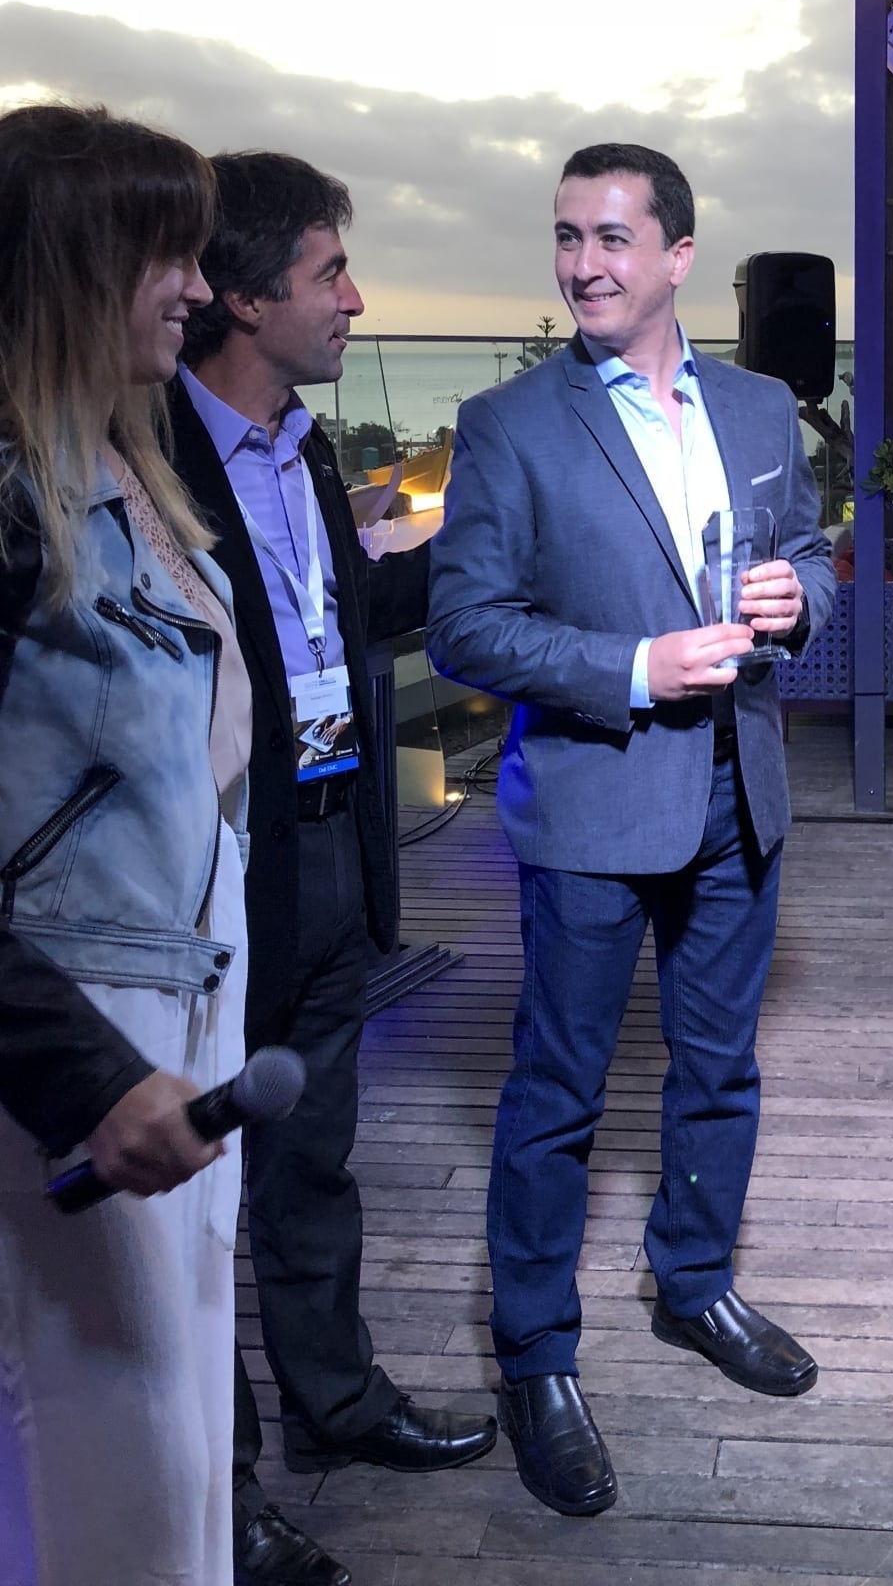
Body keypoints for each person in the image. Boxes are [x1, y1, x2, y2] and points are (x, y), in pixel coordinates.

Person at [427, 142, 836, 1517]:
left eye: (610, 238)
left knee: (720, 1071)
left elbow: (813, 553)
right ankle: (537, 1358)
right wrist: (636, 668)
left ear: (678, 256)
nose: (582, 265)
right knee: (558, 1093)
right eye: (566, 237)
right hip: (596, 799)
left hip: (740, 789)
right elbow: (466, 625)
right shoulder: (509, 424)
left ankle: (696, 1285)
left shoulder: (764, 406)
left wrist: (803, 597)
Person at [170, 151, 495, 1586]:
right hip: (215, 876)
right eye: (331, 273)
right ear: (243, 297)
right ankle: (220, 1490)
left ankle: (339, 1403)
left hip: (332, 849)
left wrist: (486, 535)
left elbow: (345, 616)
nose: (356, 301)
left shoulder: (301, 445)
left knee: (313, 1168)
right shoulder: (146, 457)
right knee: (200, 1204)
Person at [0, 102, 250, 1586]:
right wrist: (86, 1078)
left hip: (180, 1019)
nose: (200, 290)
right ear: (79, 265)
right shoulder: (13, 497)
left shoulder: (122, 470)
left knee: (179, 1457)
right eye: (171, 256)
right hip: (77, 1040)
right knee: (112, 1479)